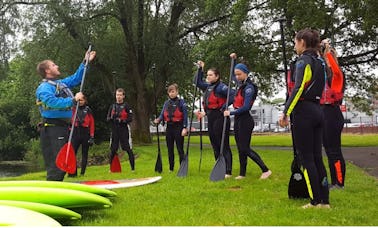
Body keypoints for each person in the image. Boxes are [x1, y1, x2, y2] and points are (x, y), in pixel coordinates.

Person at [278, 28, 329, 208]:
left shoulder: (303, 61)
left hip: (304, 113)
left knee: (306, 159)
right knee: (317, 157)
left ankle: (314, 201)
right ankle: (325, 201)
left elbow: (298, 88)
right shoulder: (321, 62)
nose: (294, 45)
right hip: (318, 110)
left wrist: (286, 112)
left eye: (295, 42)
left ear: (302, 42)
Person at [36, 50, 96, 181]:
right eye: (53, 65)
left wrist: (85, 62)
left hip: (62, 128)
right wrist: (73, 100)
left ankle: (54, 191)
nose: (57, 66)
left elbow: (76, 78)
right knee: (57, 165)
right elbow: (51, 102)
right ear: (47, 71)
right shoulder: (44, 88)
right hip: (52, 128)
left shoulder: (60, 84)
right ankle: (52, 193)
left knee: (62, 165)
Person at [224, 54, 272, 180]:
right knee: (240, 148)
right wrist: (233, 60)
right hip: (239, 120)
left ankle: (265, 170)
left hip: (245, 119)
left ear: (246, 73)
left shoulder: (249, 88)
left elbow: (246, 107)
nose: (237, 77)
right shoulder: (240, 83)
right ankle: (242, 173)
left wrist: (231, 113)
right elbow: (234, 74)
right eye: (236, 74)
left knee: (245, 148)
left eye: (239, 74)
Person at [194, 61, 234, 178]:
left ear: (217, 76)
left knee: (223, 145)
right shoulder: (208, 87)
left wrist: (224, 107)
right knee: (214, 144)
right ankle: (219, 166)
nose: (208, 76)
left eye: (211, 75)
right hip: (211, 118)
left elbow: (233, 95)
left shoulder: (221, 87)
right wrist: (200, 69)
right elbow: (197, 82)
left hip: (220, 118)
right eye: (207, 75)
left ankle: (228, 170)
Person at [320, 39, 346, 190]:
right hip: (324, 112)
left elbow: (335, 70)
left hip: (333, 113)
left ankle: (339, 182)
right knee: (328, 150)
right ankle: (334, 181)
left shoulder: (337, 75)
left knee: (335, 150)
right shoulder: (324, 74)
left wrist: (328, 52)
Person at [154, 83, 188, 171]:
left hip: (178, 127)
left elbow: (185, 116)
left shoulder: (181, 103)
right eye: (170, 92)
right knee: (170, 149)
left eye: (173, 92)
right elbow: (162, 114)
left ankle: (182, 167)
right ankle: (171, 168)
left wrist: (185, 128)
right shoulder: (166, 103)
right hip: (169, 128)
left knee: (180, 148)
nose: (171, 93)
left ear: (177, 92)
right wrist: (158, 120)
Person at [107, 88, 135, 171]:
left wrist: (122, 120)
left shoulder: (126, 106)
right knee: (113, 149)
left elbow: (130, 118)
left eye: (120, 95)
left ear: (123, 96)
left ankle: (132, 168)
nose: (118, 97)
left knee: (127, 148)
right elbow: (107, 118)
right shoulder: (112, 106)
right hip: (115, 130)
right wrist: (112, 118)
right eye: (117, 95)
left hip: (124, 129)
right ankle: (111, 168)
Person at [68, 94, 95, 177]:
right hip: (75, 132)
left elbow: (92, 123)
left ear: (85, 101)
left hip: (85, 132)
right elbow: (69, 121)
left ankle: (82, 172)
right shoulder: (73, 109)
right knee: (72, 153)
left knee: (84, 153)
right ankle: (72, 173)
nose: (80, 102)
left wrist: (91, 136)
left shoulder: (88, 110)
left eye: (81, 100)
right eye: (78, 100)